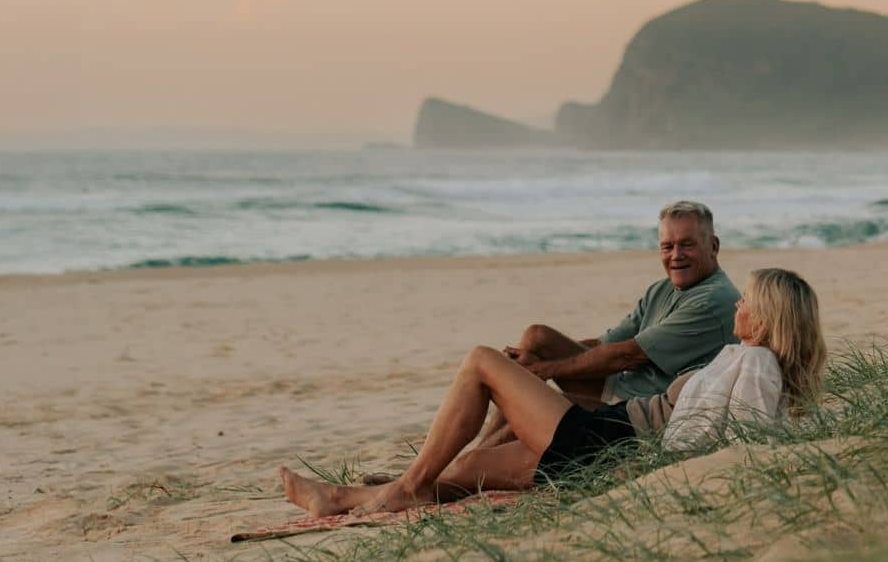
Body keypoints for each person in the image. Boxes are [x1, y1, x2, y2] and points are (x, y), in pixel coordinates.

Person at [276, 267, 827, 517]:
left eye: (748, 300)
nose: (739, 305)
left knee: (481, 363)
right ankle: (339, 499)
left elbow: (742, 444)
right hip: (605, 444)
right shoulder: (750, 359)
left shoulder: (755, 362)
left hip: (606, 439)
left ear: (768, 316)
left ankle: (401, 489)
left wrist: (644, 476)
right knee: (462, 477)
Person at [508, 200, 740, 409]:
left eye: (687, 245)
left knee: (530, 393)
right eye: (667, 247)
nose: (676, 255)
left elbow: (627, 356)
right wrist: (539, 357)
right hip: (621, 388)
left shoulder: (713, 299)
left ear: (713, 246)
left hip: (638, 410)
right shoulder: (661, 289)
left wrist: (545, 369)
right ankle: (476, 451)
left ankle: (477, 453)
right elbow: (604, 344)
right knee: (536, 338)